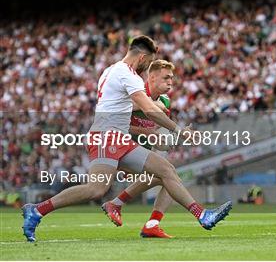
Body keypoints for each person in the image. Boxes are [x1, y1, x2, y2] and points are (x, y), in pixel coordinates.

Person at [21, 36, 232, 242]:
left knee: (165, 171)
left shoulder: (110, 70)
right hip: (106, 136)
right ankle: (38, 210)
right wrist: (179, 130)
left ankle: (203, 216)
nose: (146, 68)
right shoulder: (126, 74)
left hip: (118, 137)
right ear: (142, 57)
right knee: (96, 189)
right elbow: (148, 109)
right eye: (148, 63)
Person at [101, 59, 178, 238]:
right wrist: (146, 131)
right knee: (168, 176)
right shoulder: (135, 94)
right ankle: (117, 204)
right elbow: (113, 124)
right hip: (116, 148)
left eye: (172, 78)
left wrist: (163, 141)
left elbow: (155, 132)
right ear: (152, 77)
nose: (170, 83)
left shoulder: (165, 102)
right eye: (166, 78)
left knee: (170, 179)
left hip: (139, 153)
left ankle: (152, 223)